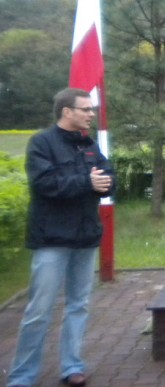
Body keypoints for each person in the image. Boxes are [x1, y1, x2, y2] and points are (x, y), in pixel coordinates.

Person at [6, 88, 115, 387]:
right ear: (67, 112)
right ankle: (22, 376)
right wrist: (88, 182)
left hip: (85, 237)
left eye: (91, 109)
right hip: (52, 240)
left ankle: (72, 366)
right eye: (85, 109)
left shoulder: (88, 144)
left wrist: (106, 182)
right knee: (39, 310)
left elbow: (108, 174)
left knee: (78, 305)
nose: (91, 114)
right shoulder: (42, 143)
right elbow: (45, 184)